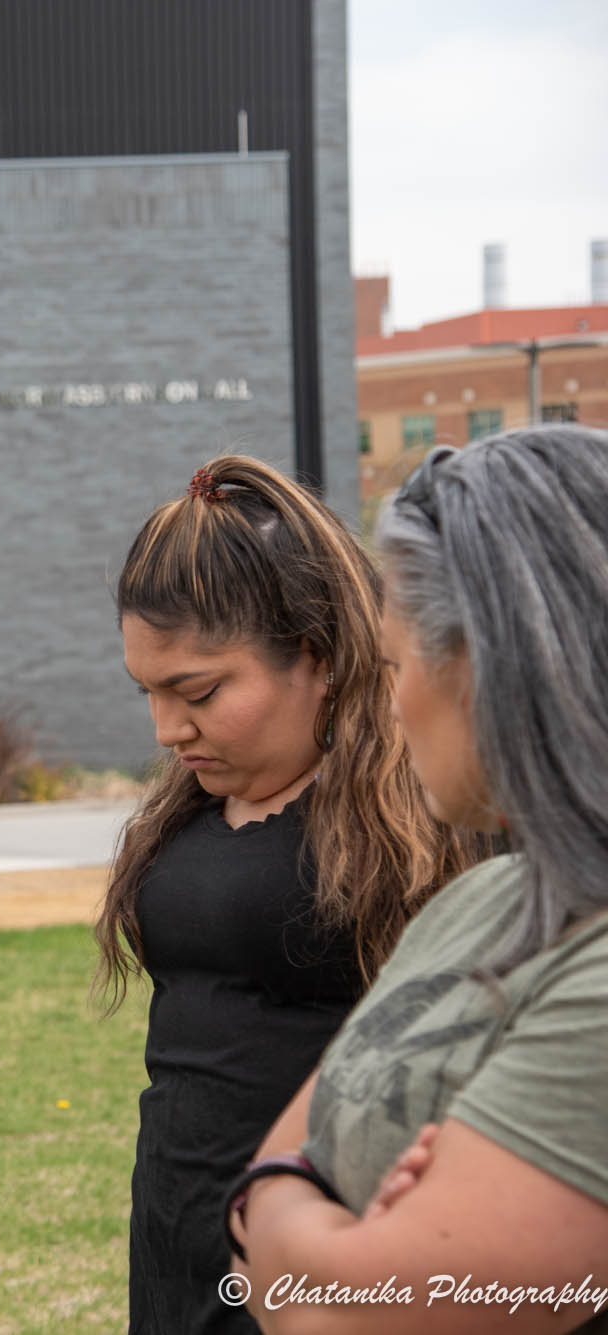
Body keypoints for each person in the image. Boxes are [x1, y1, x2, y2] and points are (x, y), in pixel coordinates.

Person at [230, 426, 608, 1333]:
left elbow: (351, 1320)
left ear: (487, 668)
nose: (389, 700)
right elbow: (254, 1208)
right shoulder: (487, 899)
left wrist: (301, 1217)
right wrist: (310, 1220)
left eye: (396, 663)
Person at [95, 456, 480, 1334]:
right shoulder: (191, 804)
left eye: (198, 691)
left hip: (329, 1242)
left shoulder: (421, 813)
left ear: (316, 653)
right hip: (176, 1230)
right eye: (148, 691)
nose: (166, 728)